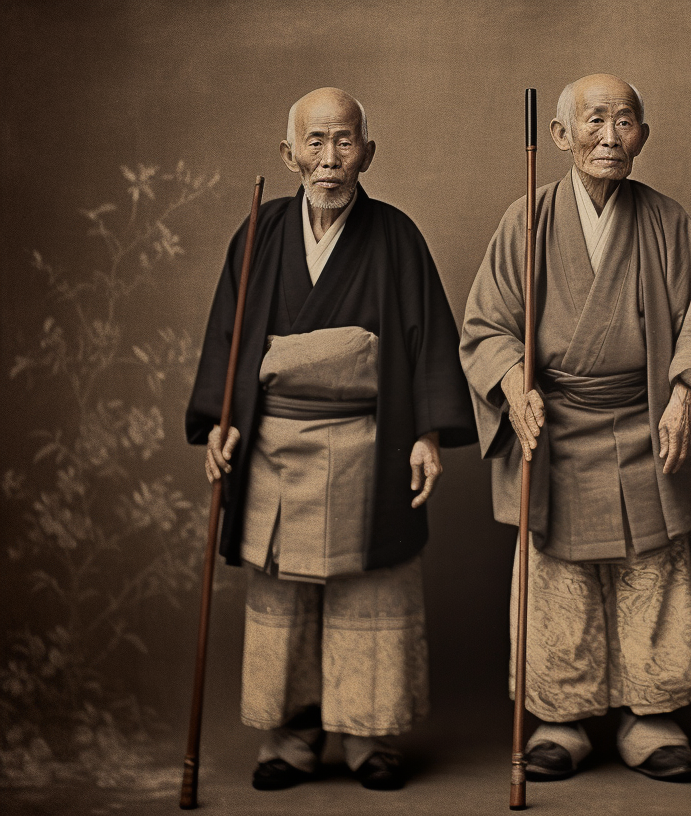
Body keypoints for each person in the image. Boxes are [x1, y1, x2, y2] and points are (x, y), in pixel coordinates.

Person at [185, 87, 476, 792]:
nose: (329, 159)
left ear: (367, 153)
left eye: (344, 142)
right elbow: (230, 337)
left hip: (367, 445)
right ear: (289, 154)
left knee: (369, 592)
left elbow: (428, 338)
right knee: (285, 598)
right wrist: (222, 423)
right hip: (275, 445)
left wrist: (427, 433)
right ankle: (291, 735)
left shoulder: (397, 236)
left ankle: (369, 736)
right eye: (314, 143)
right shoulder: (259, 233)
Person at [459, 73, 691, 783]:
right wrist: (515, 386)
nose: (610, 136)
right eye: (595, 121)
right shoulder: (526, 220)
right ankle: (561, 716)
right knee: (561, 577)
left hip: (645, 417)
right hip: (554, 423)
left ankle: (653, 712)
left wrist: (682, 395)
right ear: (561, 135)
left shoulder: (668, 221)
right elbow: (488, 325)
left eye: (625, 122)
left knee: (653, 568)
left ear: (643, 134)